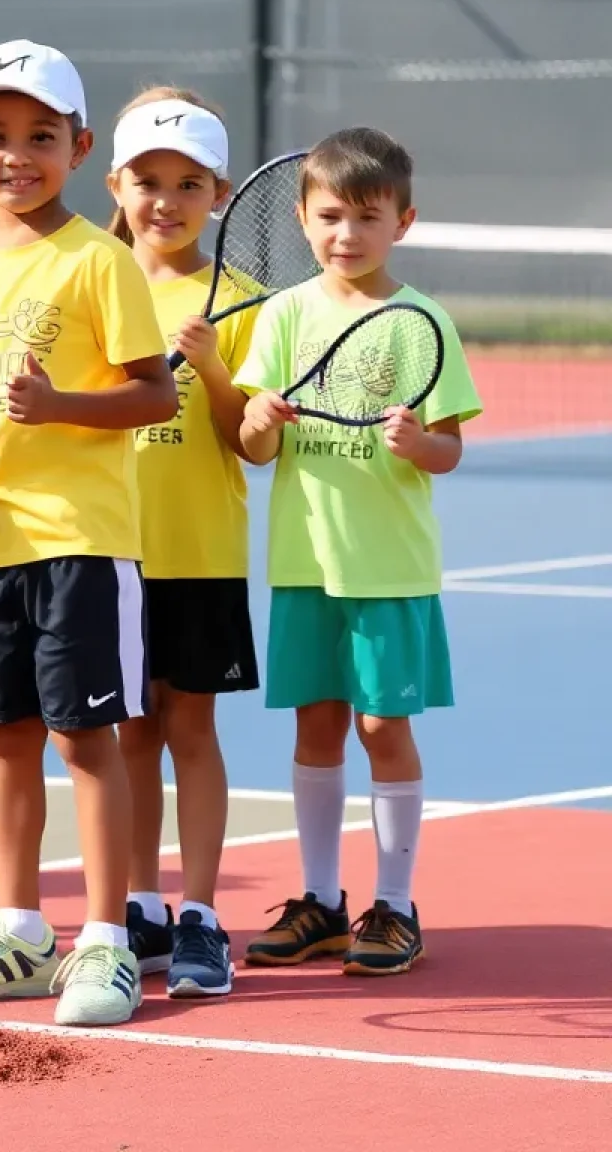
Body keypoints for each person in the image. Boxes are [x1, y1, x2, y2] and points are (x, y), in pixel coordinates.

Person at [0, 40, 177, 1026]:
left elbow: (152, 393)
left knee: (84, 738)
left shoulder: (101, 262)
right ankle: (18, 931)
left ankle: (106, 944)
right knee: (8, 740)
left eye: (39, 136)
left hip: (80, 542)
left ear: (79, 145)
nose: (15, 154)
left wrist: (60, 405)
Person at [236, 127, 481, 976]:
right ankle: (320, 903)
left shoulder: (423, 322)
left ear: (402, 221)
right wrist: (257, 423)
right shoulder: (283, 314)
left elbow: (450, 447)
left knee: (383, 725)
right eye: (331, 216)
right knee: (317, 725)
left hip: (389, 567)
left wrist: (420, 445)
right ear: (304, 219)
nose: (347, 234)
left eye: (367, 217)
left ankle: (397, 907)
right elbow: (253, 448)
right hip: (304, 564)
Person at [106, 87, 260, 999]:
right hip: (108, 551)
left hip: (199, 552)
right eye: (149, 181)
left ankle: (200, 914)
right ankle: (138, 906)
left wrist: (209, 366)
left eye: (188, 184)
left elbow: (247, 440)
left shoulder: (239, 303)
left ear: (219, 193)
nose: (166, 201)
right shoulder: (92, 281)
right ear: (117, 182)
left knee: (190, 727)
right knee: (129, 734)